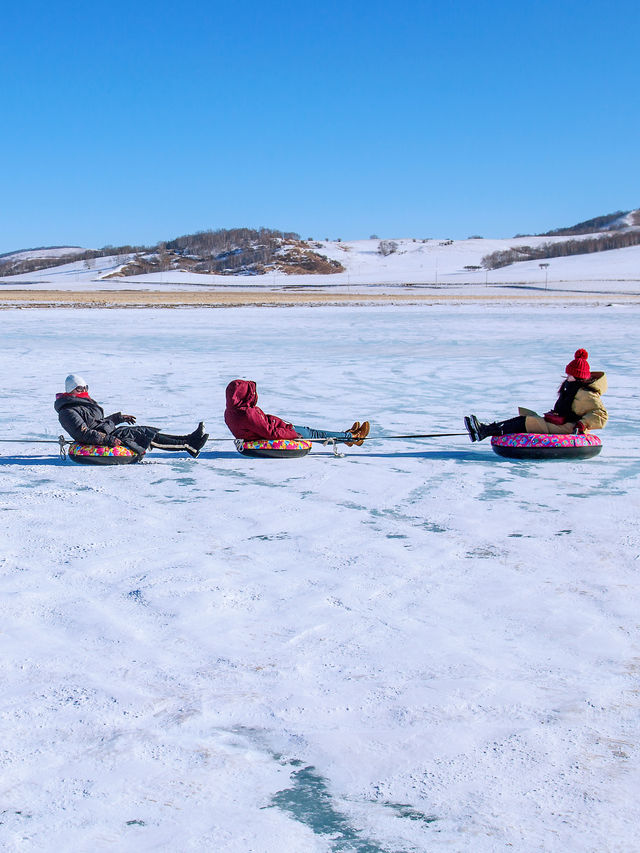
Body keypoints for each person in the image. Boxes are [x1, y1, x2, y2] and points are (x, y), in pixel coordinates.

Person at [464, 349, 608, 442]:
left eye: (570, 374)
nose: (567, 376)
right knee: (524, 418)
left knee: (526, 423)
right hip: (560, 422)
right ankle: (484, 429)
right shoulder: (569, 388)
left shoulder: (585, 394)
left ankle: (485, 432)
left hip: (568, 428)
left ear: (578, 377)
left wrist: (582, 424)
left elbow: (601, 414)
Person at [55, 374, 209, 458]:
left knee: (146, 431)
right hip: (102, 439)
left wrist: (118, 418)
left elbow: (97, 422)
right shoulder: (68, 412)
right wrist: (107, 439)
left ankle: (189, 438)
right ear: (72, 390)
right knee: (145, 437)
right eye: (81, 388)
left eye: (86, 387)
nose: (85, 390)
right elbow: (83, 433)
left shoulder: (83, 402)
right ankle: (189, 446)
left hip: (108, 433)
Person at [224, 379, 370, 446]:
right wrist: (292, 434)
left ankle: (346, 437)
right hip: (279, 433)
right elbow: (270, 433)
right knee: (313, 434)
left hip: (275, 428)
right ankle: (352, 437)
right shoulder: (247, 413)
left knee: (312, 432)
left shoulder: (231, 411)